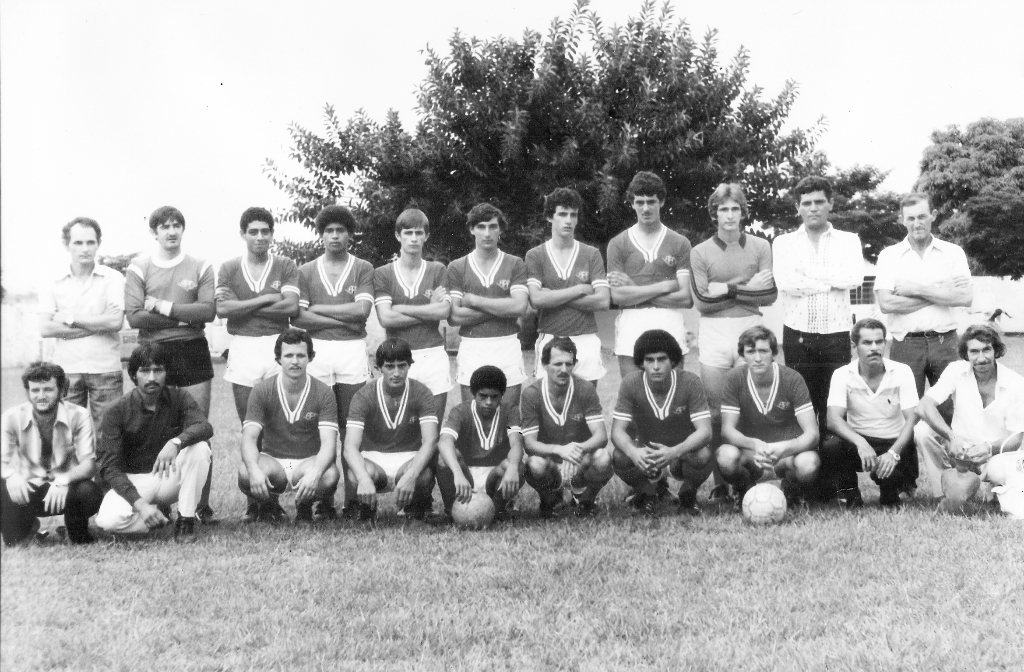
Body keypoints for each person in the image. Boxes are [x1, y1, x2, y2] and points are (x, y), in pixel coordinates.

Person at [124, 206, 218, 524]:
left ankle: (200, 507)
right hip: (152, 352)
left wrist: (164, 306)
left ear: (183, 230)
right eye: (164, 226)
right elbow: (135, 315)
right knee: (155, 429)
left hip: (192, 349)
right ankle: (162, 499)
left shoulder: (201, 265)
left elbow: (206, 312)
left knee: (196, 428)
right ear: (154, 232)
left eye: (177, 225)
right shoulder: (139, 267)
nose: (171, 231)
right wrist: (183, 312)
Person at [772, 176, 863, 497]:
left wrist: (808, 276)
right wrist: (829, 279)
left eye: (819, 202)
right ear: (798, 207)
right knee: (802, 410)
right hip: (798, 335)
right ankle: (803, 483)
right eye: (806, 203)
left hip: (837, 334)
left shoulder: (849, 240)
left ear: (830, 204)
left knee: (835, 410)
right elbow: (786, 283)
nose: (813, 208)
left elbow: (853, 277)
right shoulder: (783, 243)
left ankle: (842, 484)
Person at [690, 183, 777, 502]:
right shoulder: (699, 251)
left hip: (749, 328)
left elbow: (768, 294)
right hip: (713, 331)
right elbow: (701, 302)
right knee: (715, 412)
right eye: (723, 209)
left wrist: (721, 289)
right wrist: (743, 285)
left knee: (749, 408)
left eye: (735, 208)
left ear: (743, 212)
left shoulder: (760, 246)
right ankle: (720, 481)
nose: (729, 214)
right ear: (714, 212)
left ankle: (748, 476)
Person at [215, 207, 299, 518]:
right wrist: (266, 299)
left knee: (279, 424)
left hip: (277, 345)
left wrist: (243, 307)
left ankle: (272, 500)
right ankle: (256, 503)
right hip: (243, 349)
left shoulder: (286, 265)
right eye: (254, 231)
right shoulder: (228, 268)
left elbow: (290, 305)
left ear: (272, 234)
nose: (260, 237)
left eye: (265, 231)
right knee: (251, 426)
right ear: (243, 234)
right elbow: (223, 311)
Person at [293, 205, 374, 519]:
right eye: (329, 231)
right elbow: (298, 317)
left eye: (341, 230)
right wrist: (344, 314)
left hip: (352, 350)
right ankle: (320, 500)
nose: (335, 236)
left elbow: (362, 313)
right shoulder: (306, 271)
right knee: (318, 427)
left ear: (350, 235)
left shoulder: (363, 267)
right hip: (318, 352)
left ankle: (354, 500)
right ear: (321, 235)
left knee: (351, 426)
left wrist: (320, 311)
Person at [94, 343, 213, 542]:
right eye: (144, 371)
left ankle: (186, 520)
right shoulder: (116, 410)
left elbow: (204, 426)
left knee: (201, 448)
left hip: (168, 477)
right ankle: (157, 519)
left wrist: (176, 442)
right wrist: (139, 505)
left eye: (158, 370)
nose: (151, 378)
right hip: (134, 481)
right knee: (109, 521)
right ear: (133, 375)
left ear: (167, 373)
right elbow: (109, 467)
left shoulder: (179, 397)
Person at [874, 192, 972, 420]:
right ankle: (907, 457)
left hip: (945, 342)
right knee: (905, 413)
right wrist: (941, 291)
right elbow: (887, 303)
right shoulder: (889, 256)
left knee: (948, 409)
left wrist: (917, 289)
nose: (916, 223)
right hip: (906, 343)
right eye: (910, 218)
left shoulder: (952, 253)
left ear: (933, 216)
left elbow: (965, 297)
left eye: (922, 216)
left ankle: (948, 455)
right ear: (901, 219)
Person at [236, 329, 340, 523]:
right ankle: (269, 505)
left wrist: (315, 473)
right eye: (289, 355)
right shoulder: (262, 390)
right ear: (278, 359)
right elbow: (249, 437)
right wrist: (254, 469)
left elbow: (328, 444)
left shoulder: (324, 392)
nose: (295, 361)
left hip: (307, 462)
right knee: (245, 471)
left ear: (310, 358)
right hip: (274, 462)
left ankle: (305, 506)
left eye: (301, 355)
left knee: (330, 475)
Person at [915, 324, 1023, 505]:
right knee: (922, 431)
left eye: (986, 350)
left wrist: (989, 448)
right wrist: (951, 436)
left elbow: (1017, 437)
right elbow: (924, 406)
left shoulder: (1016, 383)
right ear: (966, 354)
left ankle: (994, 489)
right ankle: (944, 492)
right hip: (961, 449)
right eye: (974, 352)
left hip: (995, 452)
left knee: (999, 475)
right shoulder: (956, 370)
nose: (981, 358)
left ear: (996, 350)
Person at [610, 329, 713, 515]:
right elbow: (617, 431)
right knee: (620, 456)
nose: (656, 366)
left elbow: (705, 431)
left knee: (703, 455)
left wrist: (675, 451)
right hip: (646, 451)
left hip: (681, 452)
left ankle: (688, 493)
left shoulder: (690, 382)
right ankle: (647, 491)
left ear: (672, 360)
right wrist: (633, 451)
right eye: (650, 360)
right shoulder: (630, 383)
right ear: (641, 362)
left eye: (662, 359)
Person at [38, 216, 125, 433]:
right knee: (65, 436)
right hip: (66, 370)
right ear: (66, 244)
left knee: (108, 436)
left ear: (98, 243)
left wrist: (69, 319)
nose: (85, 249)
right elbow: (46, 328)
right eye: (78, 242)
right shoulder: (52, 281)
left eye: (90, 242)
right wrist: (98, 324)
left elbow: (115, 321)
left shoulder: (113, 278)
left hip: (105, 369)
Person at [1, 362, 103, 546]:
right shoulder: (11, 417)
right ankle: (29, 526)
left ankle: (74, 530)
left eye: (48, 389)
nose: (41, 396)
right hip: (28, 490)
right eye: (35, 390)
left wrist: (63, 480)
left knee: (89, 491)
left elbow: (89, 465)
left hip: (66, 492)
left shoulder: (79, 415)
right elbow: (2, 460)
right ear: (28, 392)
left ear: (62, 390)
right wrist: (11, 476)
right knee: (13, 542)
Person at [717, 326, 820, 507]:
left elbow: (812, 434)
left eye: (763, 351)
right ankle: (744, 489)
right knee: (726, 457)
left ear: (774, 353)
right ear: (742, 355)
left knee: (809, 463)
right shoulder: (734, 378)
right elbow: (727, 430)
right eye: (751, 351)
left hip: (786, 454)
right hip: (751, 454)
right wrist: (754, 444)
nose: (757, 358)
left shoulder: (792, 378)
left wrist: (783, 448)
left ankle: (791, 488)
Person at [822, 319, 920, 508]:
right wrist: (861, 443)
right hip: (859, 441)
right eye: (867, 343)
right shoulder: (842, 374)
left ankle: (890, 490)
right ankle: (851, 493)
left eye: (879, 341)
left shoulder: (902, 371)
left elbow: (912, 419)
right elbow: (833, 420)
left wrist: (893, 453)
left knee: (891, 498)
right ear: (854, 346)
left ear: (885, 343)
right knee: (831, 445)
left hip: (893, 442)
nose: (874, 348)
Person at [606, 171, 693, 378]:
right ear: (632, 203)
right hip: (631, 324)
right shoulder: (618, 244)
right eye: (640, 202)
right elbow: (618, 297)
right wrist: (665, 285)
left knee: (673, 395)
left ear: (661, 202)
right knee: (633, 394)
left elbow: (685, 298)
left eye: (651, 201)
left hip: (669, 322)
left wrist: (634, 288)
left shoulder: (680, 243)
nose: (646, 208)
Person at [342, 339, 439, 521]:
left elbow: (431, 440)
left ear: (410, 365)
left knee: (424, 475)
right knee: (354, 476)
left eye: (402, 366)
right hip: (374, 459)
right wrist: (363, 478)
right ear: (379, 367)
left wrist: (411, 476)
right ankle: (367, 508)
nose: (396, 373)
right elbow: (350, 447)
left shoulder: (422, 392)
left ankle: (414, 508)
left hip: (408, 458)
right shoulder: (364, 395)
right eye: (389, 366)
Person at [445, 204, 530, 407]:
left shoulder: (515, 264)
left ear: (500, 229)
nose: (487, 233)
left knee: (509, 417)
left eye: (493, 227)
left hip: (507, 344)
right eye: (481, 227)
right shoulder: (457, 267)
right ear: (471, 229)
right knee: (472, 415)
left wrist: (475, 301)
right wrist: (502, 308)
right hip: (472, 346)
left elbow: (519, 307)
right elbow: (454, 316)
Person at [525, 188, 610, 385]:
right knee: (550, 407)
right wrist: (579, 289)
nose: (569, 220)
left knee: (584, 408)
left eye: (573, 215)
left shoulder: (591, 254)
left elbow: (603, 300)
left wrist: (552, 297)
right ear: (549, 217)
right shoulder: (535, 255)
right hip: (550, 339)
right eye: (562, 214)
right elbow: (536, 300)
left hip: (585, 338)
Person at [373, 209, 452, 418]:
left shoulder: (437, 270)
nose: (414, 239)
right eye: (408, 233)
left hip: (433, 353)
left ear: (426, 236)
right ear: (398, 236)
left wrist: (400, 308)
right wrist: (429, 309)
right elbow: (386, 318)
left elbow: (444, 310)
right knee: (400, 427)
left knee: (432, 428)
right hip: (397, 357)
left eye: (419, 233)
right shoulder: (383, 273)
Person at [521, 337, 612, 517]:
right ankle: (550, 499)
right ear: (544, 364)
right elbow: (529, 444)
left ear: (575, 364)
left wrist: (575, 450)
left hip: (579, 461)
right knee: (534, 463)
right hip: (551, 463)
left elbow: (601, 436)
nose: (563, 370)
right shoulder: (531, 394)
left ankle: (586, 499)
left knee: (603, 457)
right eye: (557, 364)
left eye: (568, 364)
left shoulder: (585, 389)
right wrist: (560, 450)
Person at [435, 365, 525, 520]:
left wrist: (512, 467)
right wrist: (457, 473)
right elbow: (444, 441)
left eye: (494, 396)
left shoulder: (509, 412)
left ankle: (497, 511)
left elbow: (516, 442)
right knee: (444, 458)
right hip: (465, 475)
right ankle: (452, 511)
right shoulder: (461, 411)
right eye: (483, 396)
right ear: (473, 394)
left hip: (493, 476)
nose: (488, 402)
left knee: (517, 464)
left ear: (502, 395)